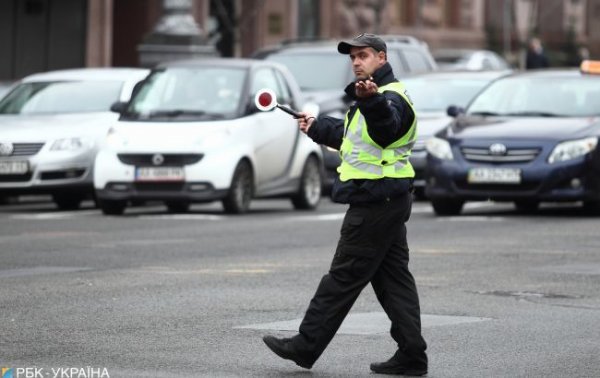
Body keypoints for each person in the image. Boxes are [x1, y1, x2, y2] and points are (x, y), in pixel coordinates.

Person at [262, 33, 428, 376]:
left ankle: (305, 345)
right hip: (388, 199)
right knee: (393, 281)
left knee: (343, 276)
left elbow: (385, 127)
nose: (355, 61)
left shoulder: (387, 97)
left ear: (381, 58)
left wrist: (371, 102)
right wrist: (317, 128)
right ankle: (412, 354)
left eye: (363, 55)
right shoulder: (374, 96)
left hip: (375, 201)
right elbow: (354, 139)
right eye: (352, 57)